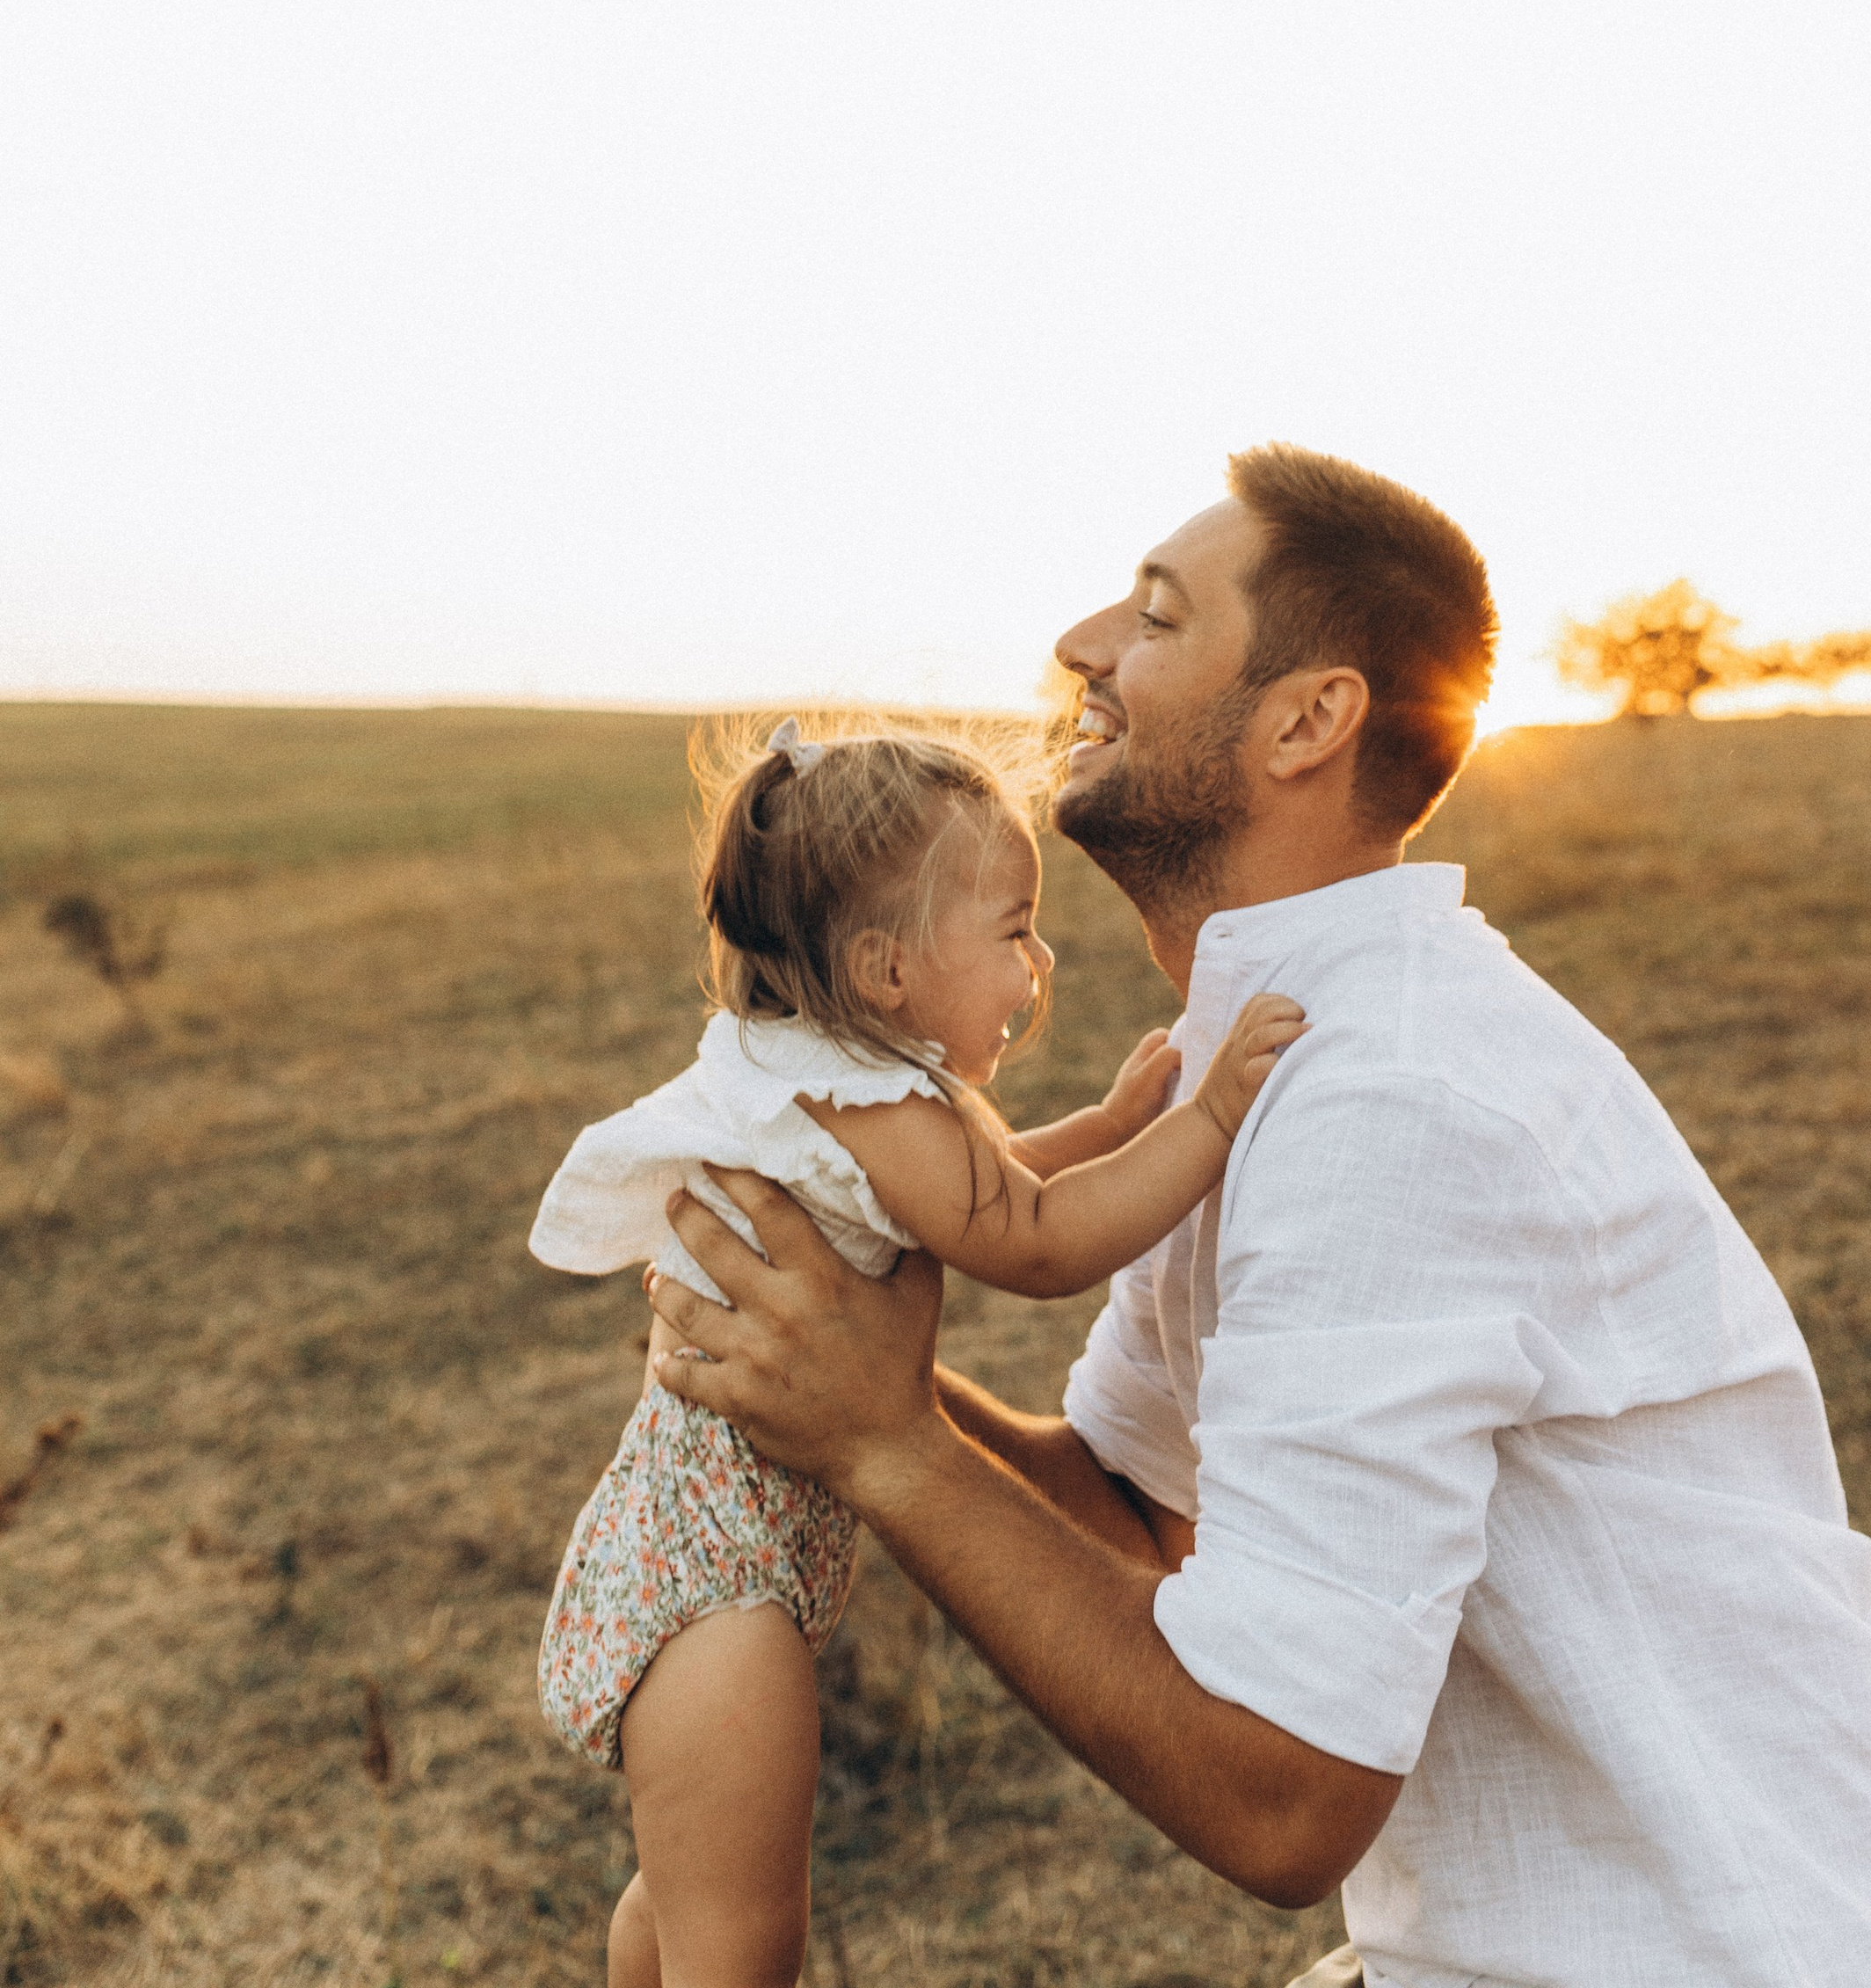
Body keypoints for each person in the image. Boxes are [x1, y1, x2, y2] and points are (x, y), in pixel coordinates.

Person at [647, 444, 1871, 1988]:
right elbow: (1142, 1507)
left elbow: (1285, 1797)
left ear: (1311, 719)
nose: (1083, 645)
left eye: (1157, 619)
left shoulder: (1392, 1098)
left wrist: (883, 1440)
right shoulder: (1272, 1042)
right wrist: (825, 1357)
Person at [529, 710, 1305, 1988]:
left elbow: (985, 1191)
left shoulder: (844, 1078)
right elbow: (1037, 1242)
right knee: (741, 1946)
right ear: (889, 971)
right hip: (721, 1592)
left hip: (706, 1559)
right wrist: (1210, 1119)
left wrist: (1112, 1126)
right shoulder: (868, 1100)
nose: (1040, 962)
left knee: (680, 1914)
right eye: (1013, 931)